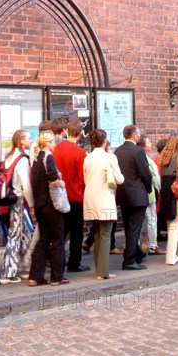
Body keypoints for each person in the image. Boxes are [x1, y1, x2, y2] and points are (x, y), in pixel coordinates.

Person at [83, 129, 125, 280]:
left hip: (91, 196)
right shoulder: (110, 157)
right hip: (105, 196)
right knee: (106, 233)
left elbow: (85, 178)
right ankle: (103, 271)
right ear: (105, 141)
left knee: (97, 232)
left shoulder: (87, 158)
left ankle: (99, 269)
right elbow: (120, 179)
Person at [29, 131, 68, 286]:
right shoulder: (48, 156)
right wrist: (61, 182)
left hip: (39, 204)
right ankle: (57, 277)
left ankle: (35, 277)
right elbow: (52, 179)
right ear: (47, 143)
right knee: (57, 241)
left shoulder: (36, 158)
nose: (54, 144)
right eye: (53, 141)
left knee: (42, 241)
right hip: (51, 205)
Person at [53, 118, 89, 273]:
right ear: (81, 133)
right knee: (76, 233)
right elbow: (82, 178)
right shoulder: (80, 152)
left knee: (61, 231)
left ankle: (57, 260)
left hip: (59, 195)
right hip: (75, 196)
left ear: (67, 131)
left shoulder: (56, 148)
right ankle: (74, 263)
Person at [114, 125, 152, 270]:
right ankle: (129, 260)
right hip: (137, 195)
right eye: (138, 133)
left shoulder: (118, 151)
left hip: (123, 194)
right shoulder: (138, 151)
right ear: (134, 134)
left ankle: (136, 254)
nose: (139, 135)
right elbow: (145, 174)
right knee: (134, 228)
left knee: (129, 227)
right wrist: (148, 189)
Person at [0, 130, 34, 284]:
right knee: (15, 234)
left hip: (10, 200)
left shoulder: (8, 157)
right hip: (19, 201)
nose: (31, 141)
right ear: (21, 141)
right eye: (29, 138)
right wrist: (32, 204)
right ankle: (9, 271)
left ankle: (26, 266)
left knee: (25, 232)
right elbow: (26, 184)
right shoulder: (22, 160)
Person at [159, 134, 178, 266]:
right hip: (177, 190)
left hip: (166, 190)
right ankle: (170, 257)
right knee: (174, 224)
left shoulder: (164, 157)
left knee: (172, 222)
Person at [137, 135, 164, 255]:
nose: (150, 143)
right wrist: (157, 187)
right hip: (149, 192)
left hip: (141, 192)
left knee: (141, 220)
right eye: (148, 142)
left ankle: (142, 243)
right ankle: (153, 245)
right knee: (151, 219)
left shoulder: (140, 156)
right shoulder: (145, 158)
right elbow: (153, 177)